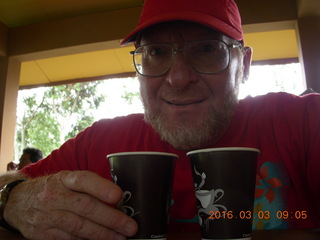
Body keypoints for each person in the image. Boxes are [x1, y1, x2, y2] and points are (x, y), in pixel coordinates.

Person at [0, 0, 319, 239]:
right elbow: (7, 184)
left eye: (207, 48)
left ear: (245, 65)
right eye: (156, 52)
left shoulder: (301, 122)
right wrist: (14, 200)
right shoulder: (102, 142)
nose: (178, 78)